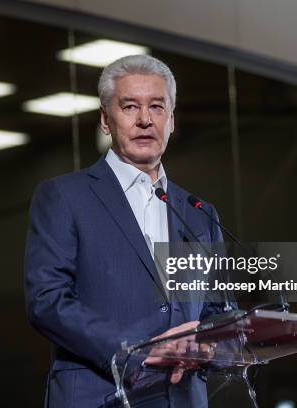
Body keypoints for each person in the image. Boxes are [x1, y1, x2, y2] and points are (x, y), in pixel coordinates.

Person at [24, 55, 224, 407]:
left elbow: (216, 313)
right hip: (99, 395)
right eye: (130, 106)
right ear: (105, 120)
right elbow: (47, 300)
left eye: (157, 107)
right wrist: (137, 351)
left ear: (172, 120)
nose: (145, 119)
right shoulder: (64, 197)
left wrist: (206, 345)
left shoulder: (200, 215)